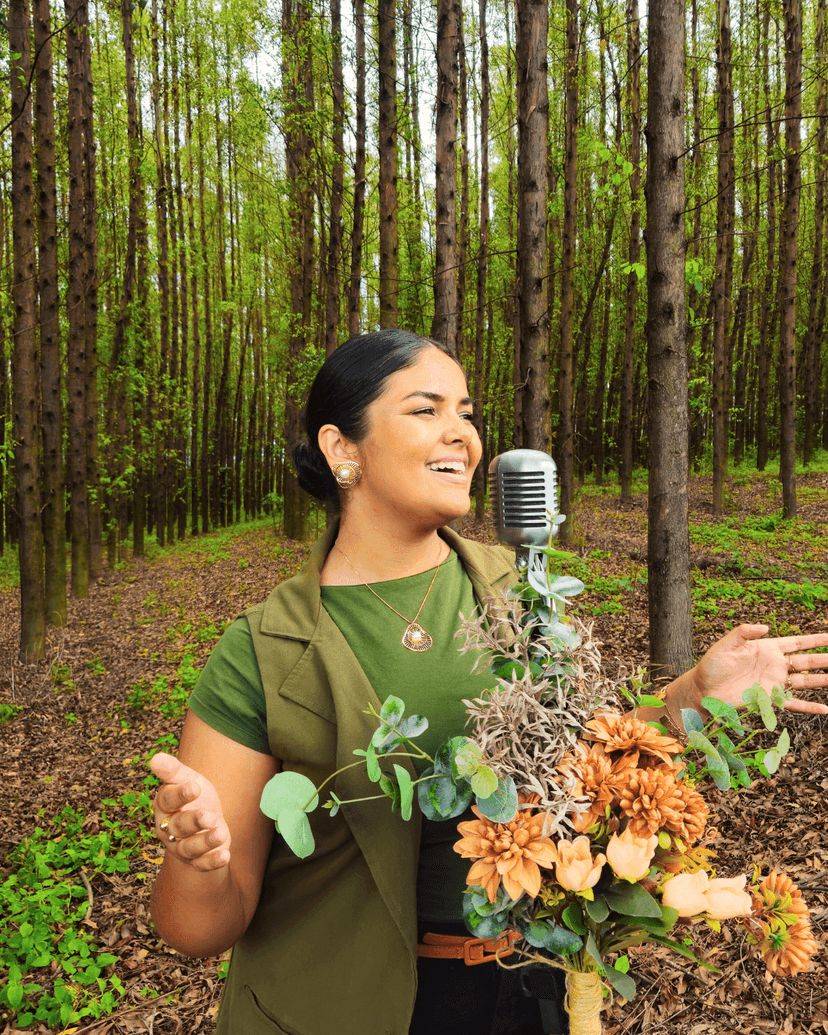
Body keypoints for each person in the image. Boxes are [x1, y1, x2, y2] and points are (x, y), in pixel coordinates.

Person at [148, 330, 828, 1035]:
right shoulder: (263, 650)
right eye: (426, 409)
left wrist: (690, 698)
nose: (462, 435)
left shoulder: (519, 593)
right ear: (341, 447)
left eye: (466, 412)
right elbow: (197, 927)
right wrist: (198, 858)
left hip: (528, 991)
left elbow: (582, 780)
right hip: (342, 1008)